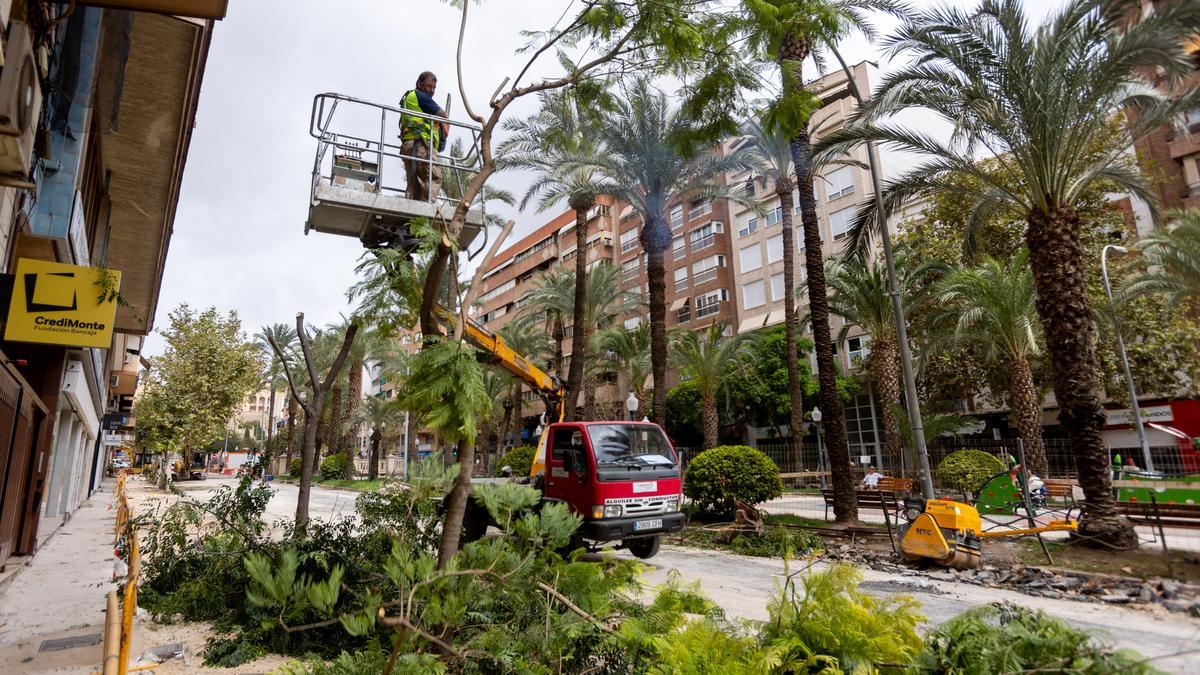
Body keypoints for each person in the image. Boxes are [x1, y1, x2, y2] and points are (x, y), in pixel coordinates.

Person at [400, 71, 447, 202]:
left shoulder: (410, 97)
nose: (431, 90)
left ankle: (410, 211)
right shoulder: (421, 96)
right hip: (420, 144)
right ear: (419, 84)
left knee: (414, 183)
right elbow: (443, 115)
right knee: (433, 177)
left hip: (409, 144)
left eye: (434, 88)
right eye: (428, 86)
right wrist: (443, 125)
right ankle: (427, 208)